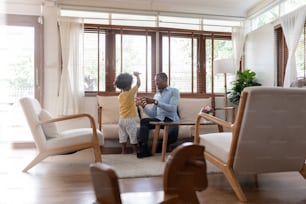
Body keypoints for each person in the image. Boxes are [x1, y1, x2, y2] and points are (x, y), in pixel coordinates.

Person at [136, 72, 180, 158]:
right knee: (144, 121)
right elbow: (153, 114)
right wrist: (143, 107)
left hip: (171, 120)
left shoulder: (174, 91)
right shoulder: (156, 95)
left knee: (172, 137)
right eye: (155, 81)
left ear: (165, 80)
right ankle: (144, 148)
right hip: (159, 120)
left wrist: (156, 102)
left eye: (158, 80)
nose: (156, 82)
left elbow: (172, 108)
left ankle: (158, 147)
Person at [114, 71, 141, 154]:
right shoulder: (130, 93)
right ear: (129, 85)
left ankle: (123, 151)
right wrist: (137, 76)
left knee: (122, 136)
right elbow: (138, 84)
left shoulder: (120, 95)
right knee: (132, 135)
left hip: (121, 119)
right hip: (130, 119)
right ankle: (135, 151)